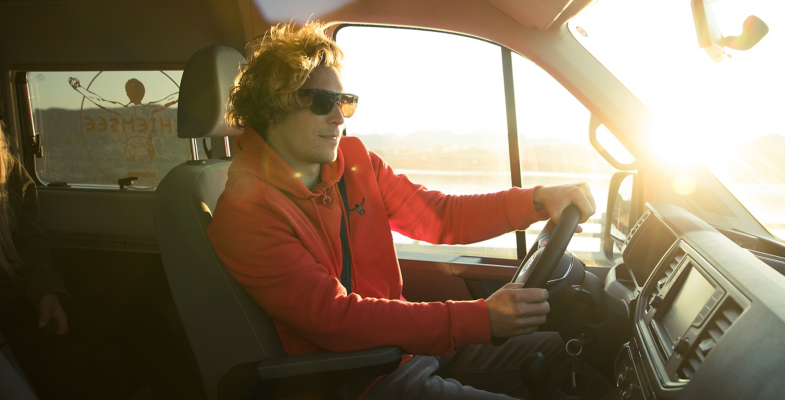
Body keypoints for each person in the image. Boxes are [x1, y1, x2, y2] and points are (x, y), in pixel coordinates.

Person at [207, 22, 611, 399]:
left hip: (405, 349)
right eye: (322, 101)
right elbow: (335, 319)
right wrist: (480, 318)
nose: (338, 118)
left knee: (569, 353)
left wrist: (539, 200)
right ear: (272, 107)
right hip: (358, 376)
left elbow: (440, 215)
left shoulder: (355, 161)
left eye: (345, 102)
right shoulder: (247, 212)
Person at [0, 47, 107, 400]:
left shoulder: (7, 171)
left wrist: (47, 293)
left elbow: (30, 241)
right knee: (72, 365)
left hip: (18, 297)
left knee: (141, 321)